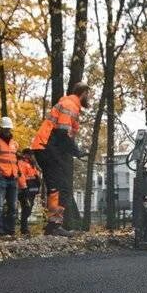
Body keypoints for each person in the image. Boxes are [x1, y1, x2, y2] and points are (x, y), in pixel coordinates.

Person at [32, 82, 89, 236]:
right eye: (88, 94)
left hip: (44, 147)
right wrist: (77, 151)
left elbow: (62, 135)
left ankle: (52, 226)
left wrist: (75, 150)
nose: (88, 98)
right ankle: (54, 225)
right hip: (46, 147)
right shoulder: (70, 105)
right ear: (83, 93)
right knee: (61, 187)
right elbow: (62, 133)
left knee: (56, 186)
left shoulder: (68, 104)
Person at [17, 149, 41, 235]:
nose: (32, 156)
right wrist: (24, 188)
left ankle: (24, 228)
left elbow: (35, 176)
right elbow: (21, 176)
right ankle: (24, 229)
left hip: (32, 190)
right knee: (26, 208)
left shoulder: (32, 164)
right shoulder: (21, 163)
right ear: (26, 155)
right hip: (25, 190)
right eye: (30, 155)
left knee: (29, 209)